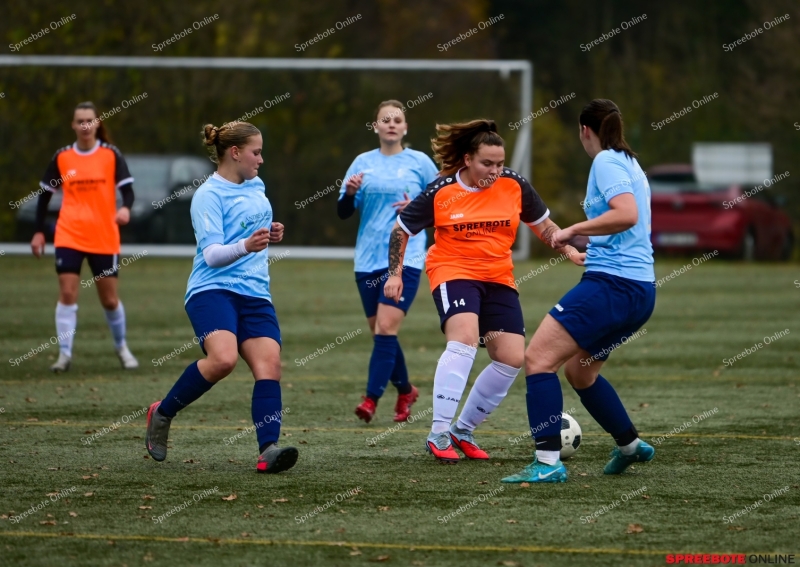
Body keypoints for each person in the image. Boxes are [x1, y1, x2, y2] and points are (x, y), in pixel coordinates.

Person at [384, 119, 584, 463]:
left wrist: (568, 249)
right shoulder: (441, 190)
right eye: (486, 164)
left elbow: (544, 226)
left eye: (499, 163)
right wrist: (394, 274)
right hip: (452, 270)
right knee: (463, 340)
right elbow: (400, 230)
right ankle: (438, 433)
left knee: (510, 357)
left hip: (498, 276)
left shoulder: (513, 185)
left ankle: (463, 430)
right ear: (467, 160)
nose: (494, 171)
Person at [502, 99, 656, 484]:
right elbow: (625, 228)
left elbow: (627, 215)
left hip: (612, 288)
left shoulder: (605, 161)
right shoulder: (630, 163)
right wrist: (585, 241)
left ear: (584, 130)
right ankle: (630, 446)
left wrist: (571, 230)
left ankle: (548, 462)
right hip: (639, 292)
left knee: (537, 360)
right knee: (581, 372)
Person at [145, 121, 298, 474]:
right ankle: (163, 412)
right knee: (223, 360)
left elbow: (250, 229)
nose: (261, 159)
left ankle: (269, 450)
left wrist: (270, 233)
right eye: (256, 152)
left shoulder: (256, 184)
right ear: (235, 153)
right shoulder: (207, 196)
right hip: (212, 290)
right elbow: (213, 254)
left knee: (269, 366)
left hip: (255, 292)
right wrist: (248, 245)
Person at [338, 100, 438, 423]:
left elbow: (444, 206)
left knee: (384, 327)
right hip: (368, 260)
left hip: (406, 257)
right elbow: (342, 212)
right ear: (376, 127)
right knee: (382, 334)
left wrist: (418, 207)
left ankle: (370, 399)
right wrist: (351, 194)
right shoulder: (361, 163)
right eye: (385, 120)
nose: (392, 124)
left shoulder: (420, 163)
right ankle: (406, 390)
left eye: (398, 120)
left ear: (405, 128)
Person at [31, 101, 139, 372]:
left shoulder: (110, 154)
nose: (85, 126)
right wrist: (38, 232)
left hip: (104, 236)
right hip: (69, 234)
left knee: (109, 300)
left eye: (89, 120)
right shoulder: (63, 157)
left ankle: (121, 347)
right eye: (80, 121)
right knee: (67, 293)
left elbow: (128, 191)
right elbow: (43, 198)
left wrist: (125, 208)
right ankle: (64, 355)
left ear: (97, 122)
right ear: (73, 125)